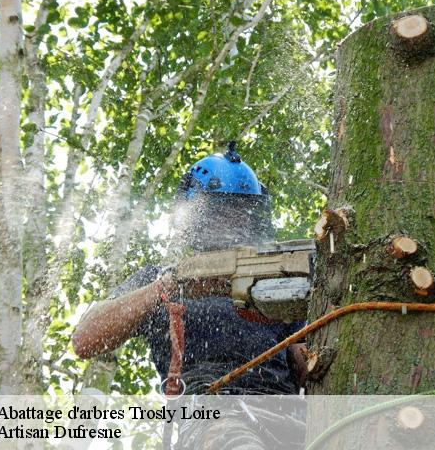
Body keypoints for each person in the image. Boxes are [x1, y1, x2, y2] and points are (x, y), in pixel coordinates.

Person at [72, 142, 307, 446]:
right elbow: (85, 340)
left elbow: (302, 361)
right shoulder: (163, 279)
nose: (234, 222)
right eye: (221, 212)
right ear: (197, 213)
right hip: (213, 414)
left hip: (287, 414)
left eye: (242, 213)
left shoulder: (269, 280)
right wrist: (167, 287)